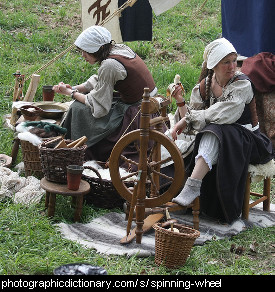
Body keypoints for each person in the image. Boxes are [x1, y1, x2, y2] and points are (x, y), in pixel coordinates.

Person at [170, 38, 274, 224]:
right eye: (226, 62)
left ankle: (192, 187)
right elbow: (192, 127)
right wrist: (180, 102)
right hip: (220, 140)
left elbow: (225, 114)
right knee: (208, 134)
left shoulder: (242, 85)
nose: (232, 66)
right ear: (214, 66)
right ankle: (182, 191)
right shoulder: (203, 88)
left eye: (234, 60)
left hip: (250, 141)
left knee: (216, 130)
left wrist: (188, 119)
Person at [53, 25, 157, 164]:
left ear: (100, 49)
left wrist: (71, 93)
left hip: (137, 112)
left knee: (78, 109)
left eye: (86, 52)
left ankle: (78, 149)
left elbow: (100, 108)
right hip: (141, 101)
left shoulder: (109, 65)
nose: (83, 55)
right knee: (80, 104)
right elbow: (103, 79)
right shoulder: (118, 50)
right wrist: (76, 88)